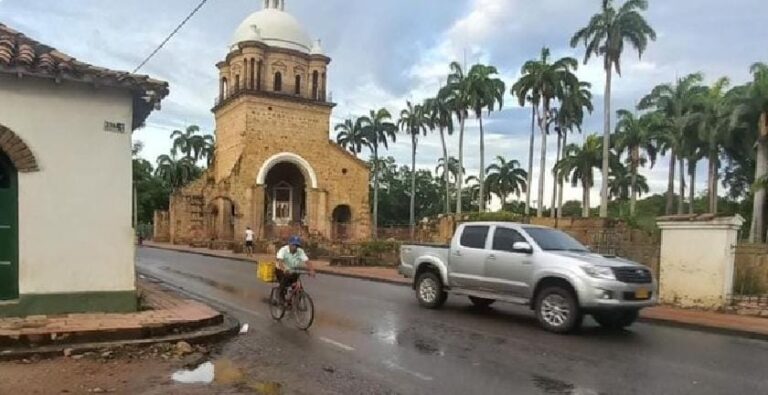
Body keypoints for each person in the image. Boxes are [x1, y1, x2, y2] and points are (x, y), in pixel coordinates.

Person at [275, 235, 315, 302]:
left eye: (297, 245)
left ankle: (295, 301)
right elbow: (280, 262)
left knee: (298, 287)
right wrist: (284, 269)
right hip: (281, 270)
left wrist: (311, 270)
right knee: (284, 283)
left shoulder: (300, 251)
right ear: (289, 244)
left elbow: (307, 261)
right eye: (293, 245)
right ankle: (280, 296)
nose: (295, 247)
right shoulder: (283, 250)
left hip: (293, 270)